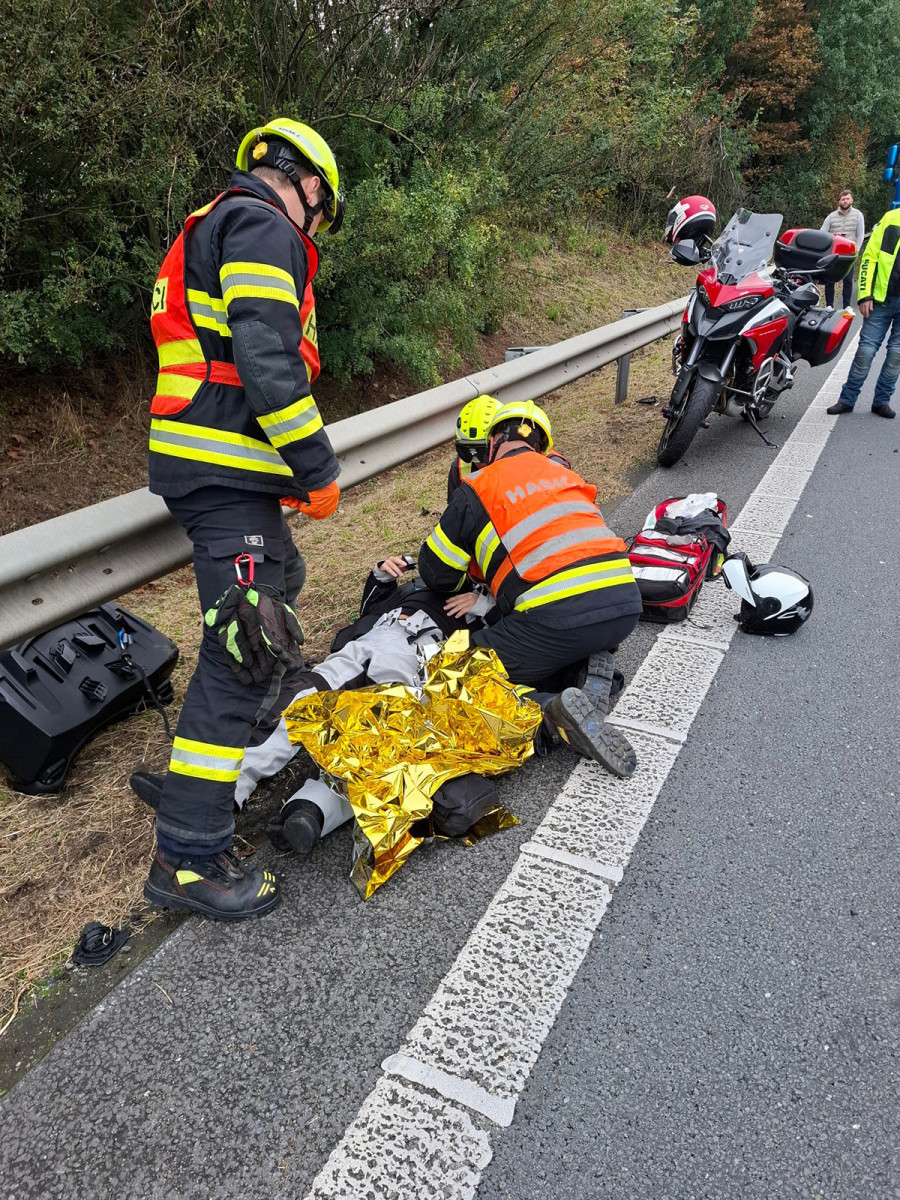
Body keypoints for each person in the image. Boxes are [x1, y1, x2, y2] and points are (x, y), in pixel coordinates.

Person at [141, 118, 345, 920]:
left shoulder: (221, 221)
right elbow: (267, 363)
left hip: (223, 471)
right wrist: (316, 468)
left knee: (281, 581)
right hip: (221, 472)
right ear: (309, 187)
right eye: (322, 215)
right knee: (245, 649)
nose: (316, 230)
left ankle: (230, 752)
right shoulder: (262, 225)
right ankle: (188, 855)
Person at [417, 400, 642, 777]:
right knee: (546, 640)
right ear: (542, 445)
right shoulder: (566, 476)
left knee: (451, 673)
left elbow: (435, 572)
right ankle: (585, 671)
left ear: (492, 443)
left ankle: (550, 713)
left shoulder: (478, 486)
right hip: (623, 605)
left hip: (556, 617)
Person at [828, 206, 900, 420]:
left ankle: (881, 401)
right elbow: (870, 257)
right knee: (865, 352)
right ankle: (847, 400)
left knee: (896, 355)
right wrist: (865, 295)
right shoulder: (891, 219)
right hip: (880, 301)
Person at [820, 189, 865, 311]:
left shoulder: (858, 215)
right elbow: (822, 233)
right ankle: (829, 305)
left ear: (852, 200)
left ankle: (846, 306)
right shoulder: (831, 216)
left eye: (847, 199)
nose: (845, 201)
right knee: (829, 279)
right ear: (839, 201)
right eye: (843, 199)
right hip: (833, 252)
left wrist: (856, 251)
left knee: (848, 280)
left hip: (849, 253)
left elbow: (860, 234)